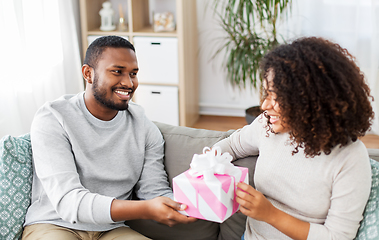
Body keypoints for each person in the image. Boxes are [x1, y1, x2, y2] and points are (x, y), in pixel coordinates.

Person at [22, 36, 196, 240]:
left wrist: (193, 202)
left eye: (133, 74)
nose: (129, 83)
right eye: (117, 71)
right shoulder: (53, 118)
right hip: (54, 225)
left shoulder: (144, 127)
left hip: (111, 229)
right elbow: (69, 203)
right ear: (88, 73)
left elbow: (154, 191)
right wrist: (146, 209)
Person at [214, 37, 374, 240]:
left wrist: (270, 214)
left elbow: (337, 237)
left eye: (275, 97)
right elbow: (232, 145)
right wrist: (208, 161)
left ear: (308, 100)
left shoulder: (350, 158)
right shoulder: (267, 125)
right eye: (266, 93)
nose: (264, 105)